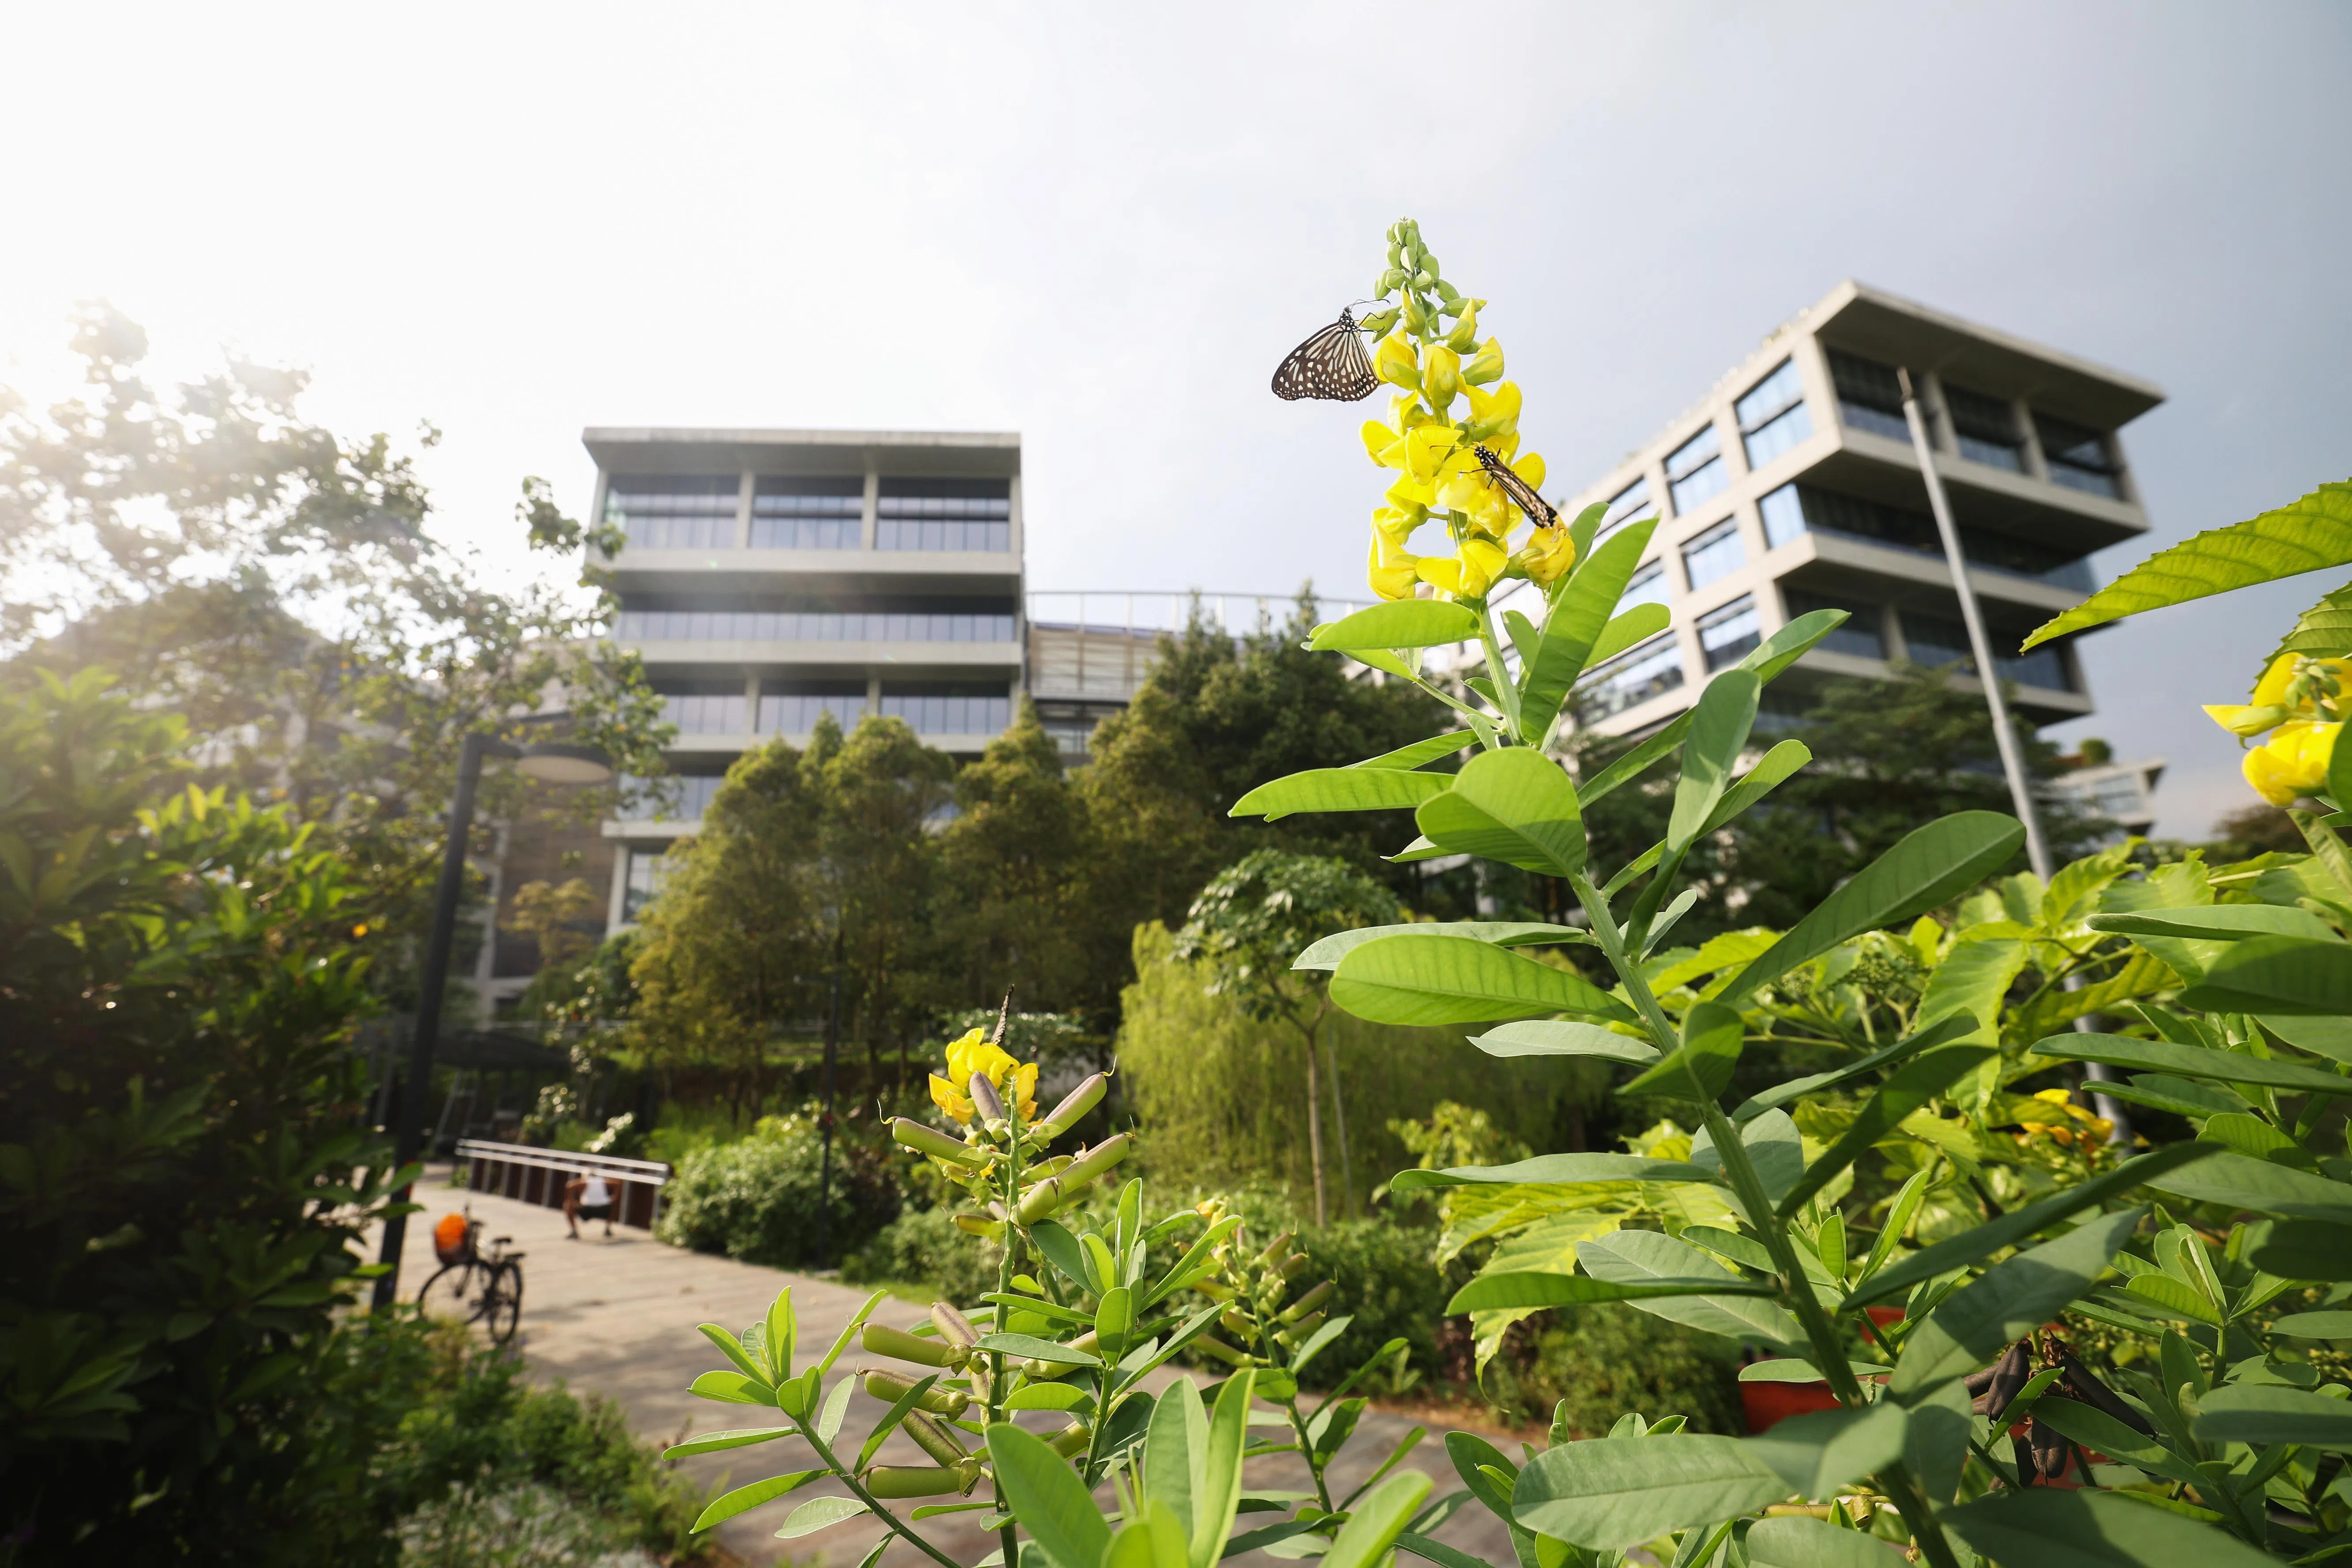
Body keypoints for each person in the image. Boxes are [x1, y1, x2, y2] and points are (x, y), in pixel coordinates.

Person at [563, 1169, 616, 1239]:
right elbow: (617, 1183)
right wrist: (614, 1197)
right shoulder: (603, 1181)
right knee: (613, 1206)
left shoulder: (585, 1181)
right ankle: (608, 1229)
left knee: (567, 1205)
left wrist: (571, 1200)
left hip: (588, 1208)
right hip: (603, 1208)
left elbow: (569, 1185)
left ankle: (574, 1231)